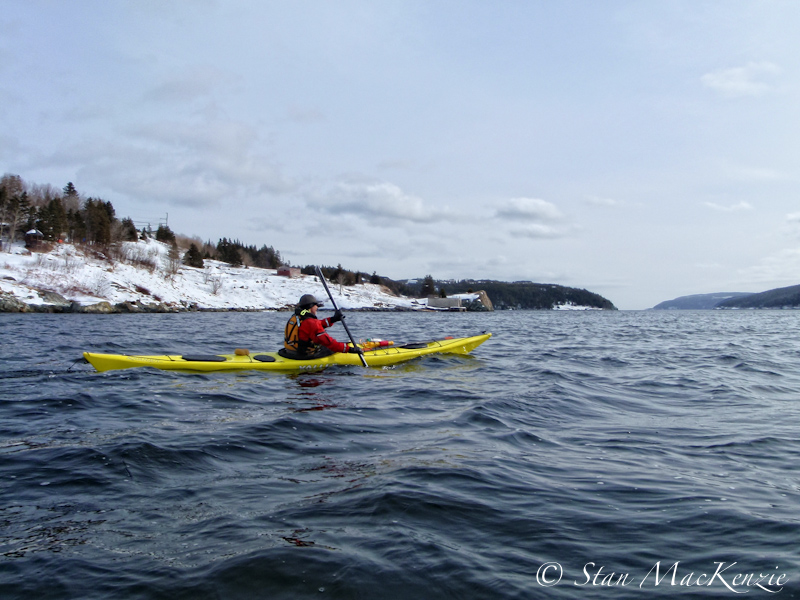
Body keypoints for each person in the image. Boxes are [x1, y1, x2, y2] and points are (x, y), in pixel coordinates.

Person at [282, 294, 363, 359]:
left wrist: (333, 319)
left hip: (290, 352)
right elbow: (329, 343)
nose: (317, 308)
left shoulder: (297, 317)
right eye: (316, 305)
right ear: (310, 307)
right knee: (330, 348)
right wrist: (349, 349)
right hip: (304, 355)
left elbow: (318, 324)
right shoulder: (311, 322)